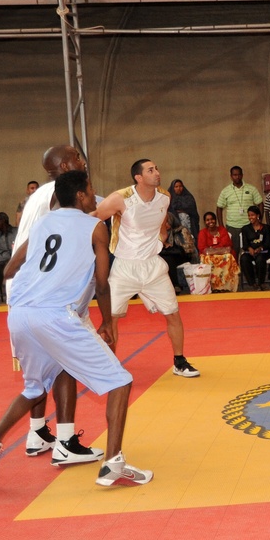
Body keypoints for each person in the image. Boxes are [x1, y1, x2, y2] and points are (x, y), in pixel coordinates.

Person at [0, 170, 152, 489]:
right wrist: (107, 322)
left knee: (34, 387)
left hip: (21, 313)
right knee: (120, 382)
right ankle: (113, 464)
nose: (94, 194)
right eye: (90, 189)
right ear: (80, 196)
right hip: (56, 316)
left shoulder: (43, 222)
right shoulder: (95, 227)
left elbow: (10, 268)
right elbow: (102, 283)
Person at [10, 144, 97, 463]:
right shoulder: (60, 196)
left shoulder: (38, 195)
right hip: (42, 293)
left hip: (23, 292)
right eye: (76, 157)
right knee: (64, 366)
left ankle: (36, 432)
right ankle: (66, 442)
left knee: (40, 368)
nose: (82, 160)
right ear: (63, 167)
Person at [94, 159, 200, 378]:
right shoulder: (120, 198)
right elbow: (92, 219)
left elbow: (162, 221)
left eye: (157, 168)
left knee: (173, 314)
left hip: (153, 266)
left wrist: (161, 237)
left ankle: (179, 362)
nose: (157, 173)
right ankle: (112, 367)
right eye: (150, 170)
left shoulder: (165, 196)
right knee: (111, 318)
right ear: (138, 178)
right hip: (124, 267)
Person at [216, 166, 263, 250]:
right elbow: (219, 208)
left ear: (242, 175)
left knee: (250, 249)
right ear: (231, 176)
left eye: (239, 174)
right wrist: (221, 226)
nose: (237, 177)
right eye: (234, 175)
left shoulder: (251, 189)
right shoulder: (225, 191)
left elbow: (260, 203)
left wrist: (259, 220)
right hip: (232, 226)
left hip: (249, 225)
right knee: (234, 250)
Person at [197, 211, 240, 292]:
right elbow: (202, 248)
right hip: (209, 256)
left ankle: (226, 287)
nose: (210, 221)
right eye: (208, 220)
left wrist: (212, 249)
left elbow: (227, 245)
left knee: (228, 257)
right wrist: (219, 249)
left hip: (223, 255)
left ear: (215, 220)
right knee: (207, 259)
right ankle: (213, 287)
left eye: (212, 219)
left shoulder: (222, 230)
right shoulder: (202, 232)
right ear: (205, 222)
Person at [159, 212, 197, 293]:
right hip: (167, 254)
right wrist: (164, 244)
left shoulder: (182, 230)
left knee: (169, 259)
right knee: (165, 258)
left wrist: (173, 246)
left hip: (182, 255)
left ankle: (175, 285)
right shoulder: (161, 233)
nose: (164, 224)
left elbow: (189, 249)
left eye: (166, 222)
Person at [240, 205, 270, 290]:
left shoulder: (266, 228)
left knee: (260, 259)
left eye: (252, 215)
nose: (250, 217)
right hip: (250, 252)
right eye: (249, 215)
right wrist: (249, 248)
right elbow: (245, 244)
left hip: (263, 252)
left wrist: (260, 248)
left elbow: (268, 243)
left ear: (258, 215)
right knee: (243, 258)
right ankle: (252, 283)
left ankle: (261, 283)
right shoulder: (245, 229)